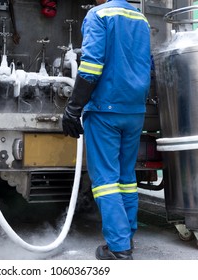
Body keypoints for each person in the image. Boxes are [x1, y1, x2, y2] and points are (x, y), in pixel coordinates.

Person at [62, 0, 151, 260]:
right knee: (126, 178)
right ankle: (127, 236)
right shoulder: (140, 18)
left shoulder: (98, 15)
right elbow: (148, 63)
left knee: (105, 182)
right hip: (134, 110)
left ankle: (119, 247)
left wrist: (73, 107)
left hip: (105, 109)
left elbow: (90, 66)